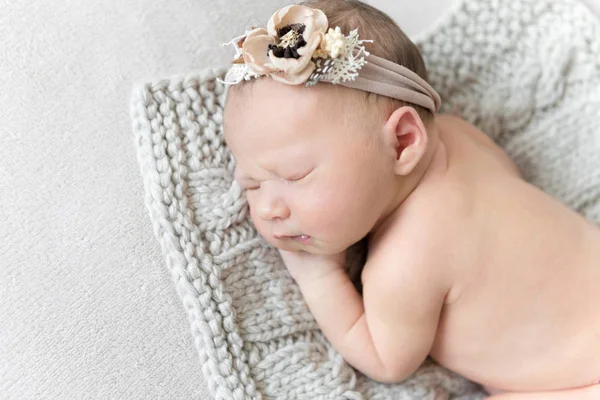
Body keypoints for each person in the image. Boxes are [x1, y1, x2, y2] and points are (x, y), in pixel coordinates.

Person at [222, 1, 600, 398]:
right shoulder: (460, 136)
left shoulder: (405, 263)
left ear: (403, 142)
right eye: (251, 184)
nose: (267, 208)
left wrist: (319, 277)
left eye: (294, 176)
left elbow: (386, 361)